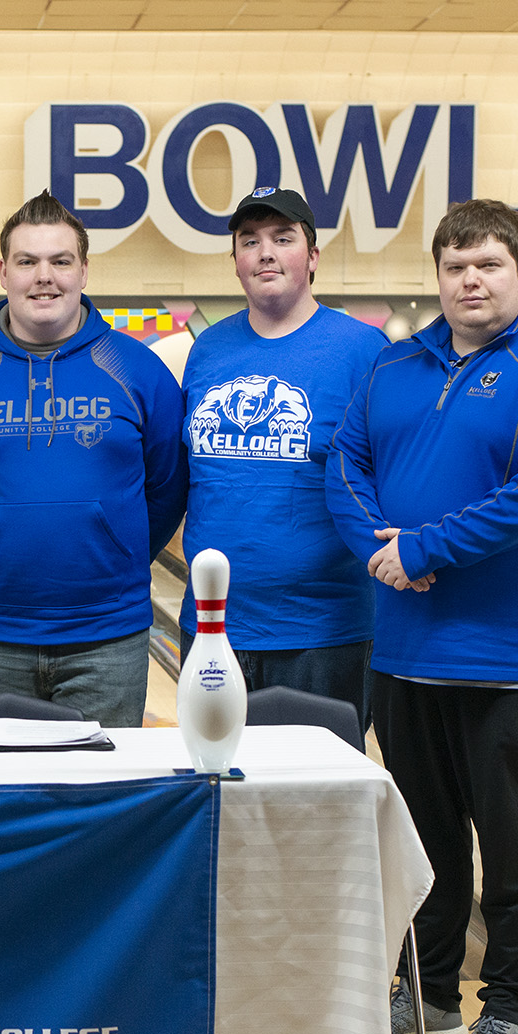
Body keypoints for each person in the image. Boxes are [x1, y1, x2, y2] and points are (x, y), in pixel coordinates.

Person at [326, 198, 518, 1034]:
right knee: (428, 838)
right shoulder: (393, 367)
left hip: (516, 655)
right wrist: (380, 545)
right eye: (455, 267)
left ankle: (513, 1009)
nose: (471, 280)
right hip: (407, 650)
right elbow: (346, 465)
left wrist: (422, 549)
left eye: (488, 264)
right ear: (438, 278)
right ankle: (434, 992)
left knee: (515, 843)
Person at [0, 191, 186, 727]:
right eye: (28, 262)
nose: (45, 276)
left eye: (60, 261)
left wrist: (114, 546)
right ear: (3, 272)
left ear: (84, 271)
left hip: (109, 635)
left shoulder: (138, 370)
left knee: (103, 802)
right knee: (3, 803)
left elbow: (167, 487)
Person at [178, 187, 387, 730]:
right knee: (216, 798)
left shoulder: (364, 349)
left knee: (319, 804)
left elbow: (391, 475)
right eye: (250, 241)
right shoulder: (206, 350)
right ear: (237, 262)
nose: (265, 252)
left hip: (325, 631)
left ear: (312, 257)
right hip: (212, 625)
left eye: (282, 238)